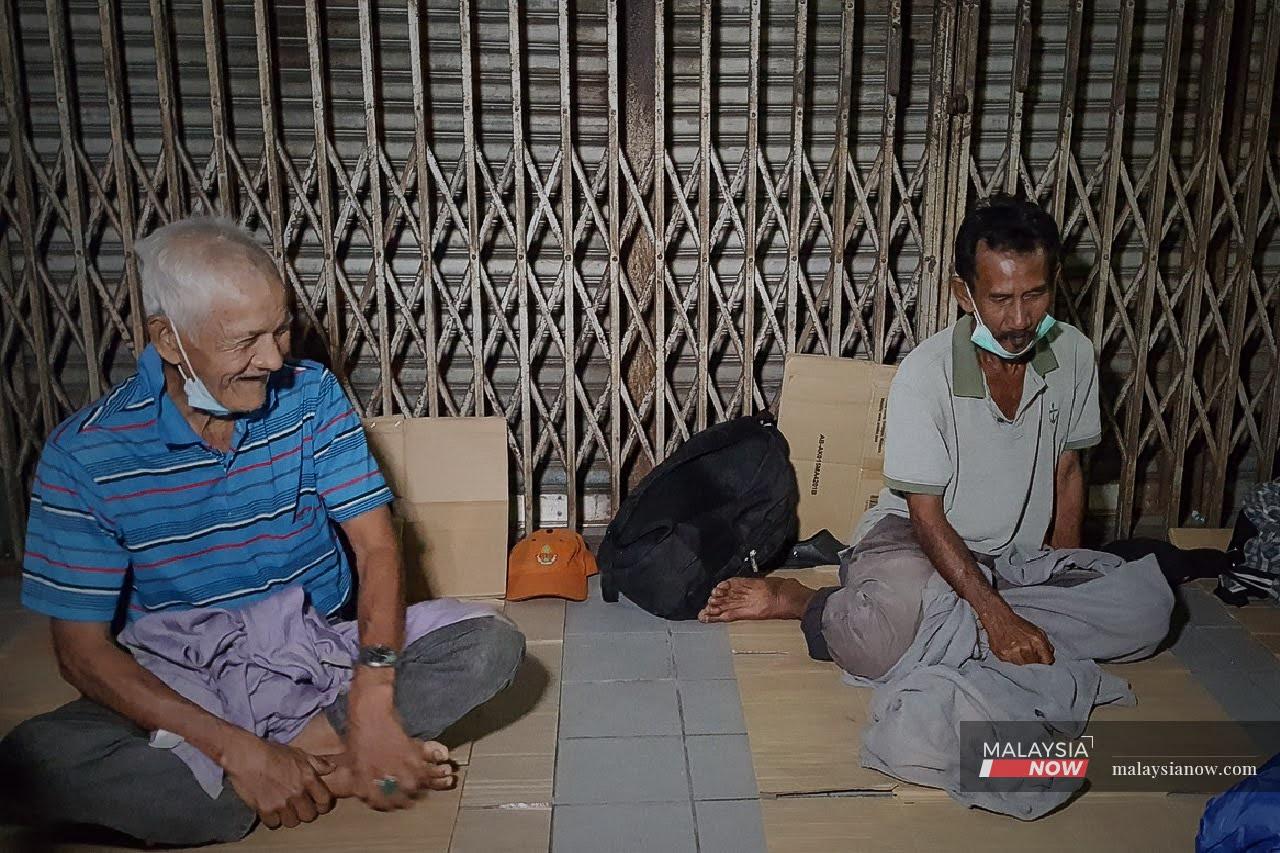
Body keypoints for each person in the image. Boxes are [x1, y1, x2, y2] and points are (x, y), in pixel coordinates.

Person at [0, 218, 526, 846]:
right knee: (30, 763)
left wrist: (373, 693)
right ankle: (329, 772)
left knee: (490, 644)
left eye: (281, 329)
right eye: (246, 340)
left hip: (317, 649)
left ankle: (287, 768)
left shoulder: (310, 398)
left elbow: (376, 547)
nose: (275, 358)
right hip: (184, 676)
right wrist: (235, 748)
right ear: (170, 340)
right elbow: (81, 653)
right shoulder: (85, 455)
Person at [699, 194, 1170, 678]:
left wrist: (1060, 574)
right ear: (964, 294)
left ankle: (950, 626)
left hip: (1013, 559)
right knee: (875, 649)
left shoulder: (1073, 354)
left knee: (1147, 614)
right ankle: (806, 601)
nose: (1019, 321)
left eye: (1035, 295)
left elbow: (1067, 471)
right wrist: (996, 617)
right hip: (916, 540)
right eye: (1000, 299)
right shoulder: (927, 375)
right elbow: (926, 518)